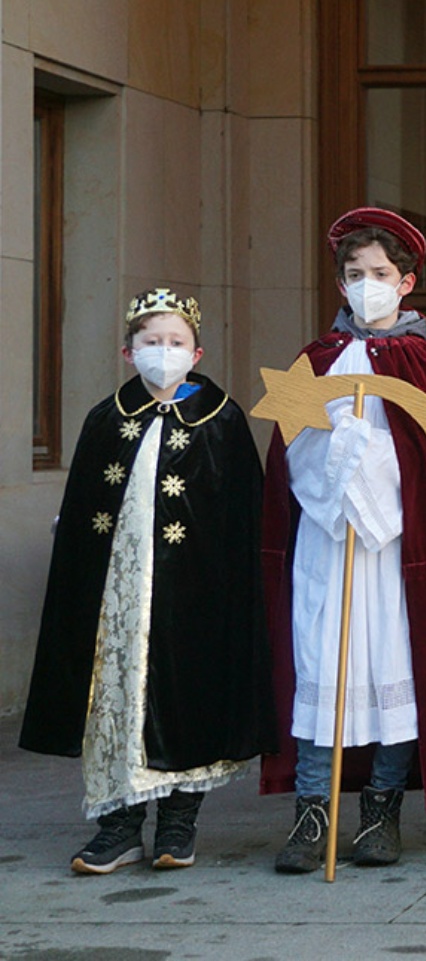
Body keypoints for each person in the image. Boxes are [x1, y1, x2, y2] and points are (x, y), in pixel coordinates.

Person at [261, 208, 426, 873]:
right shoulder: (314, 362)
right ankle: (312, 814)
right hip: (327, 542)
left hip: (393, 548)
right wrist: (334, 465)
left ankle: (381, 812)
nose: (369, 284)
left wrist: (373, 478)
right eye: (356, 274)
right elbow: (288, 458)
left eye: (381, 273)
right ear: (340, 284)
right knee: (320, 668)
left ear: (407, 282)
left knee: (391, 665)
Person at [20, 289, 273, 874]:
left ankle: (179, 821)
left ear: (198, 352)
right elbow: (86, 507)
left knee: (188, 694)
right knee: (114, 695)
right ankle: (119, 824)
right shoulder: (106, 419)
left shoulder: (223, 420)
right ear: (128, 352)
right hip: (118, 596)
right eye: (151, 343)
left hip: (196, 595)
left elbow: (243, 514)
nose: (164, 352)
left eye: (175, 343)